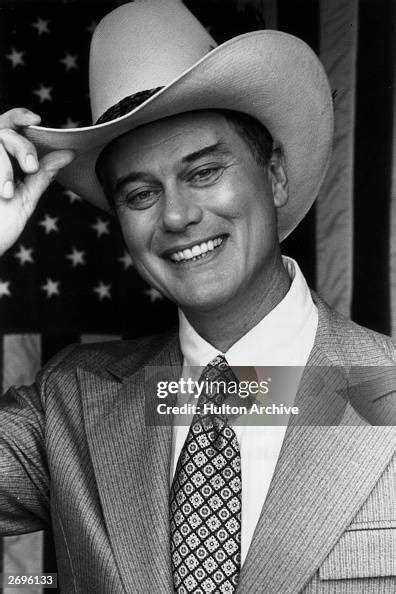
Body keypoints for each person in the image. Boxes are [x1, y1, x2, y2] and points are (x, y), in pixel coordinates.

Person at [0, 1, 394, 593]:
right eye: (140, 194)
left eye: (204, 171)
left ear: (276, 175)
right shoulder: (71, 406)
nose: (178, 215)